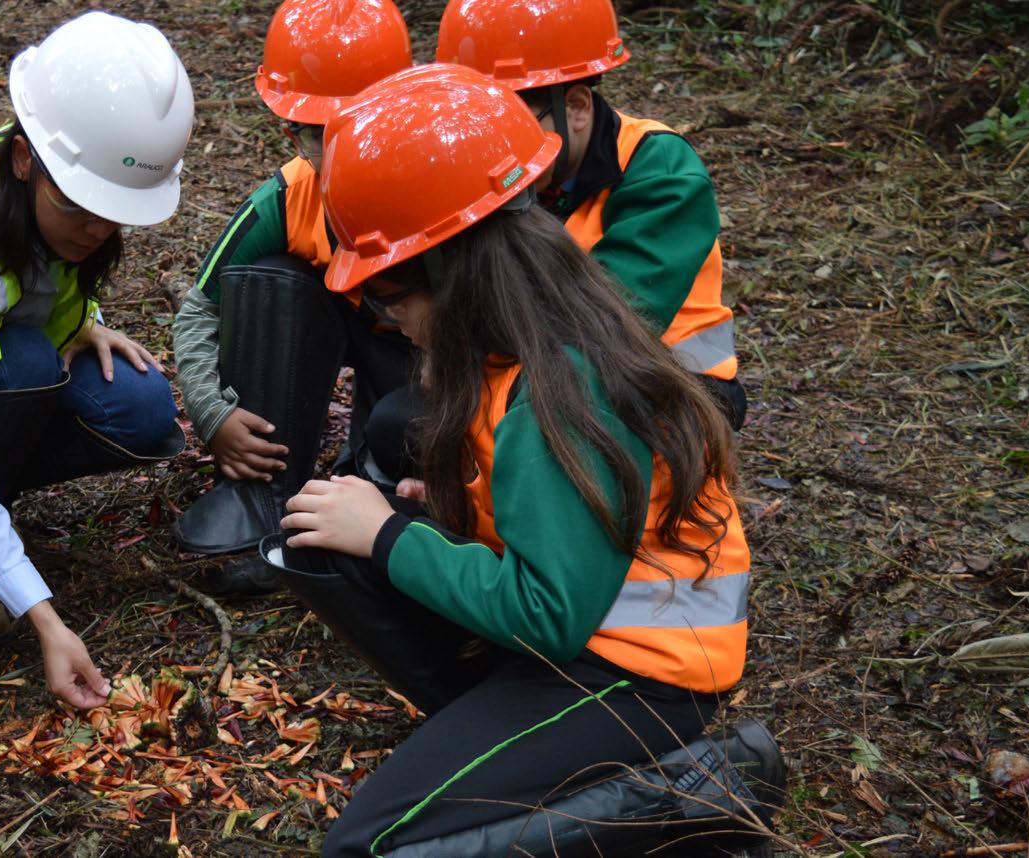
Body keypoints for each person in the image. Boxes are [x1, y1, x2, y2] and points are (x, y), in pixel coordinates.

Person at [259, 64, 784, 855]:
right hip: (583, 636)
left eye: (388, 297)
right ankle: (505, 742)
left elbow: (547, 615)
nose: (385, 322)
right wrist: (454, 510)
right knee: (337, 540)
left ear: (454, 276)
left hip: (636, 675)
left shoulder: (561, 392)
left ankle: (701, 797)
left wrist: (390, 535)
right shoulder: (521, 343)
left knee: (367, 848)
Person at [0, 12, 191, 702]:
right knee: (27, 365)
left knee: (139, 406)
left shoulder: (59, 193)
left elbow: (37, 285)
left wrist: (86, 320)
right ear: (25, 159)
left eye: (115, 214)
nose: (98, 231)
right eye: (81, 207)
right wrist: (46, 619)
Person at [171, 0, 416, 594]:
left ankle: (387, 492)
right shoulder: (284, 201)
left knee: (397, 436)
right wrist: (212, 411)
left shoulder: (440, 175)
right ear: (293, 133)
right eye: (321, 136)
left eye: (357, 126)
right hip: (345, 325)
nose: (341, 149)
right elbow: (200, 308)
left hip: (426, 357)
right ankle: (266, 501)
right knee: (268, 276)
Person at [436, 0, 748, 428]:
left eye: (514, 125)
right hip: (545, 359)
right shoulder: (507, 172)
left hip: (675, 377)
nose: (496, 148)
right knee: (400, 421)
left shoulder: (658, 167)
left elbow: (611, 320)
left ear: (578, 108)